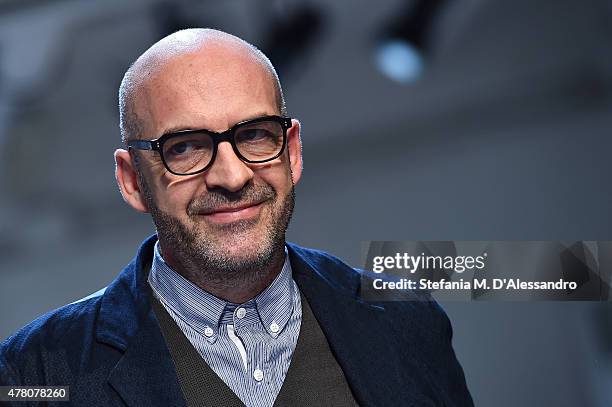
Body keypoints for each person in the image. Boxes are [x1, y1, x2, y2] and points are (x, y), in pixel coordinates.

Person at [0, 28, 473, 406]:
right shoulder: (35, 373)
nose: (231, 175)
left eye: (255, 135)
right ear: (131, 180)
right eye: (183, 147)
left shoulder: (407, 322)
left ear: (293, 152)